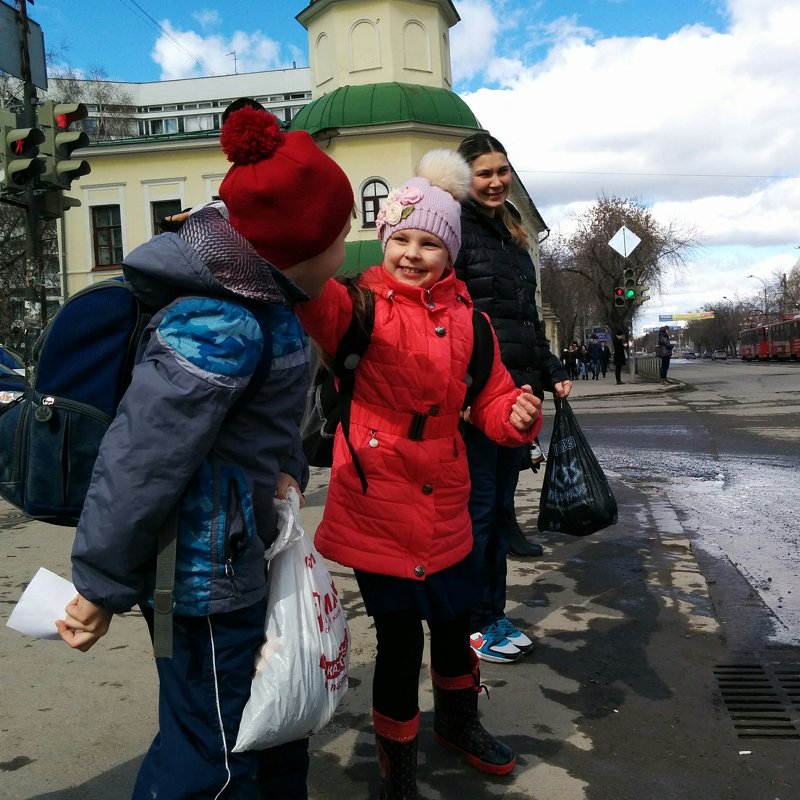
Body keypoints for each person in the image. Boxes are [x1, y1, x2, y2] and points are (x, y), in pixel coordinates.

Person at [56, 102, 356, 800]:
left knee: (269, 730)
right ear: (301, 246)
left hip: (241, 554)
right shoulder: (219, 323)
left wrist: (286, 472)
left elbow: (268, 426)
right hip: (202, 582)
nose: (346, 251)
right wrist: (100, 585)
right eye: (340, 237)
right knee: (213, 756)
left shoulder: (268, 306)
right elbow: (140, 461)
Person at [294, 149, 542, 797]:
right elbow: (309, 301)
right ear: (382, 241)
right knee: (401, 641)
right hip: (376, 497)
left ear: (450, 251)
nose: (412, 252)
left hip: (445, 499)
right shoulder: (358, 307)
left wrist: (513, 416)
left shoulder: (472, 321)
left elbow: (488, 399)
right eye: (400, 237)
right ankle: (396, 760)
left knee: (457, 627)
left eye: (429, 241)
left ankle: (459, 725)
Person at [453, 132, 571, 658]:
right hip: (477, 398)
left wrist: (550, 369)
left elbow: (524, 319)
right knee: (478, 513)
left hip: (519, 395)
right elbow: (451, 316)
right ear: (464, 178)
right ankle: (473, 623)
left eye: (503, 170)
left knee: (500, 511)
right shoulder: (453, 228)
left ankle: (491, 615)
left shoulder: (513, 234)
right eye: (485, 173)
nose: (497, 181)